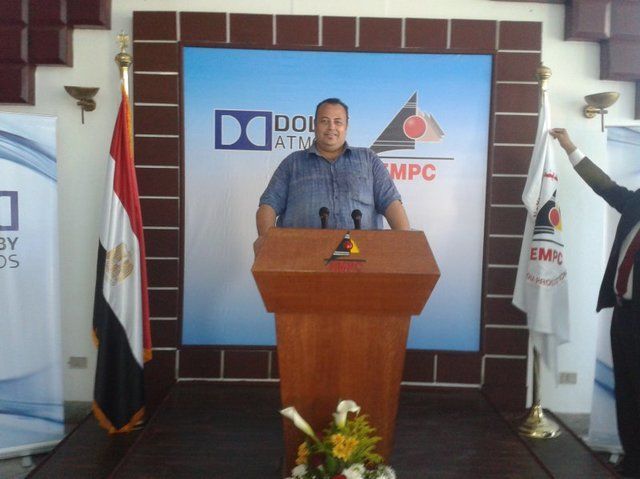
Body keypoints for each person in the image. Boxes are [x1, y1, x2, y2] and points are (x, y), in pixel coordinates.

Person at [551, 127, 640, 478]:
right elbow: (604, 185)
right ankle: (632, 462)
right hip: (625, 316)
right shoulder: (636, 201)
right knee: (627, 393)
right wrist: (570, 147)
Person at [254, 98, 410, 252]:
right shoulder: (292, 163)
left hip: (363, 256)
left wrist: (407, 244)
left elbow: (391, 203)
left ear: (346, 126)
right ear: (315, 125)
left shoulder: (368, 159)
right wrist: (266, 240)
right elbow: (268, 205)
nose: (331, 127)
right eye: (324, 121)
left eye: (338, 122)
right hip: (301, 256)